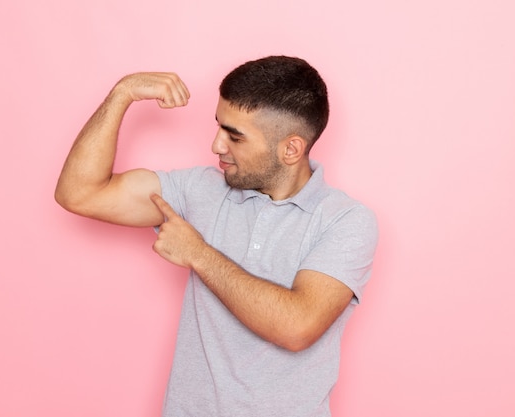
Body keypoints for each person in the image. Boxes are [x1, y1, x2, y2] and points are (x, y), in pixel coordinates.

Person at [55, 55, 378, 417]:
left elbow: (297, 327)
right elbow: (79, 193)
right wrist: (121, 94)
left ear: (291, 149)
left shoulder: (345, 221)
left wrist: (199, 253)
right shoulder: (200, 189)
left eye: (234, 136)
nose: (216, 146)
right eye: (219, 127)